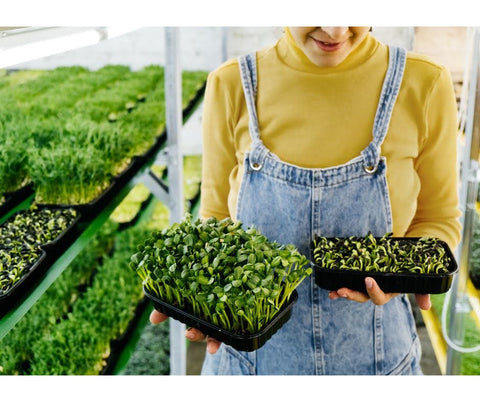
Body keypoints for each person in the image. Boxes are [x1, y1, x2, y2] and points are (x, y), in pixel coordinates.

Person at [150, 27, 462, 375]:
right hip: (248, 368)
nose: (335, 29)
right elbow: (216, 217)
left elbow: (440, 218)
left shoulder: (424, 83)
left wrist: (402, 275)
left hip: (380, 365)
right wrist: (194, 298)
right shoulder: (231, 84)